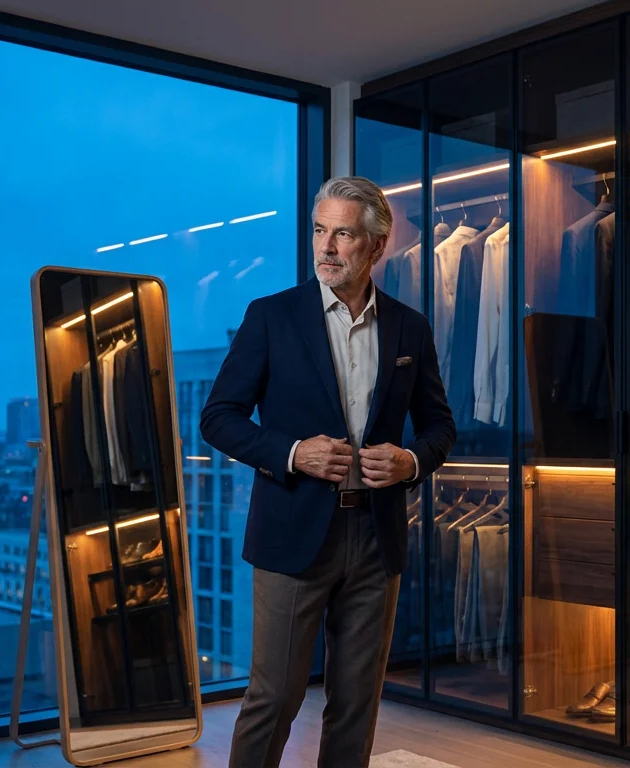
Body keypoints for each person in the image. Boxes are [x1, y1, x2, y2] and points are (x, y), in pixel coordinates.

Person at [200, 176, 456, 767]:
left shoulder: (409, 327)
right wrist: (293, 452)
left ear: (377, 244)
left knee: (357, 702)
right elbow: (218, 418)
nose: (326, 248)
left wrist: (410, 461)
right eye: (320, 231)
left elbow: (439, 427)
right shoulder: (270, 317)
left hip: (376, 538)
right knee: (275, 697)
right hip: (292, 535)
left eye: (343, 233)